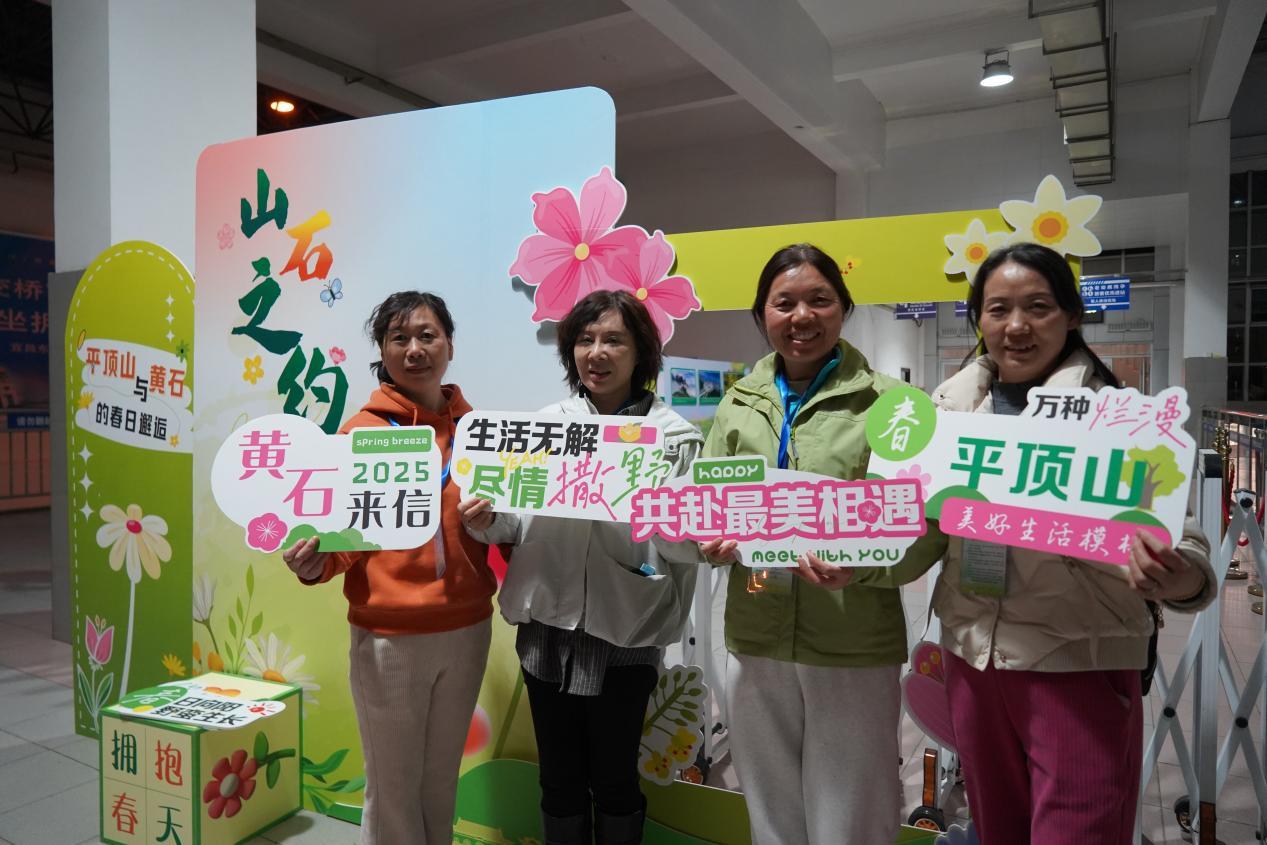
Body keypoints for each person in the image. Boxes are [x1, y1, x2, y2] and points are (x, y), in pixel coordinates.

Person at [931, 242, 1216, 845]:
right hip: (973, 660)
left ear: (1071, 315)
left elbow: (1182, 537)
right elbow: (923, 534)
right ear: (978, 319)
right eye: (998, 309)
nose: (1016, 326)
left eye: (1038, 307)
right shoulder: (948, 413)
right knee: (997, 831)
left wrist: (1181, 573)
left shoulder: (1115, 415)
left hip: (1078, 663)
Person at [699, 243, 948, 845]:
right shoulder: (739, 402)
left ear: (845, 308)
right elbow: (708, 498)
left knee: (851, 809)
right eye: (783, 303)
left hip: (850, 637)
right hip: (756, 631)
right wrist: (709, 538)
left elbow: (926, 524)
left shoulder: (890, 405)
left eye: (819, 300)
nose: (801, 316)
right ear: (762, 314)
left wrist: (861, 567)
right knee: (771, 806)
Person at [458, 289, 703, 845]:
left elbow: (683, 547)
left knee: (616, 778)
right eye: (585, 340)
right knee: (559, 778)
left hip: (627, 630)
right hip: (548, 626)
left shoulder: (673, 437)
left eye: (614, 340)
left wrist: (669, 519)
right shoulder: (546, 427)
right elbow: (514, 522)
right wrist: (488, 518)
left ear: (641, 352)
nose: (597, 353)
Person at [280, 291, 497, 845]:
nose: (414, 349)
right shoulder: (362, 433)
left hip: (468, 628)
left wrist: (498, 520)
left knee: (440, 780)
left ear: (450, 345)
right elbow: (343, 541)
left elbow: (501, 528)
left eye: (427, 335)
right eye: (399, 338)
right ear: (382, 350)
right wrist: (315, 564)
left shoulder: (479, 432)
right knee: (393, 787)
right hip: (389, 637)